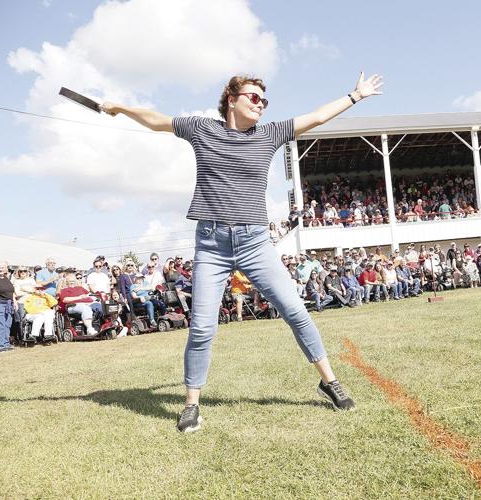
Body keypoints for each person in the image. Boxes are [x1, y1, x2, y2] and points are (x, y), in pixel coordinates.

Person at [102, 71, 383, 431]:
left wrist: (355, 95)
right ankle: (191, 405)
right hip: (212, 245)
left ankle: (329, 381)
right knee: (202, 328)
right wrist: (121, 108)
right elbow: (157, 120)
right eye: (253, 97)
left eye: (264, 101)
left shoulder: (269, 134)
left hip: (254, 243)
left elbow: (315, 117)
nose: (260, 104)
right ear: (231, 99)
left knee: (296, 310)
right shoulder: (202, 129)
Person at [0, 262, 18, 353]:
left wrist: (15, 302)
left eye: (3, 267)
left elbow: (11, 292)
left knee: (7, 324)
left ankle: (6, 344)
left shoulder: (5, 278)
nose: (1, 269)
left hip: (8, 304)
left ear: (6, 269)